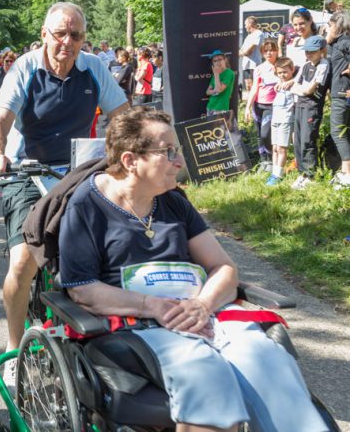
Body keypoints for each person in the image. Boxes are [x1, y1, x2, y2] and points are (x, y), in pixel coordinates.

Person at [59, 106, 329, 432]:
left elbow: (223, 267)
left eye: (178, 150)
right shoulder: (86, 206)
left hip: (202, 310)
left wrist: (202, 305)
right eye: (167, 152)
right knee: (204, 375)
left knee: (269, 363)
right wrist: (154, 307)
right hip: (136, 319)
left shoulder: (173, 201)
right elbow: (83, 288)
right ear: (130, 161)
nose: (180, 161)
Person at [0, 2, 129, 378]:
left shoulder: (94, 67)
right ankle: (14, 350)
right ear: (44, 34)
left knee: (115, 245)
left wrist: (144, 149)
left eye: (75, 35)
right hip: (26, 172)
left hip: (79, 172)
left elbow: (125, 118)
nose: (67, 42)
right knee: (23, 261)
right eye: (59, 33)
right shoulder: (26, 67)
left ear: (83, 38)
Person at [291, 35, 330, 189]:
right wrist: (301, 90)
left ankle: (311, 174)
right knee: (298, 141)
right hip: (300, 105)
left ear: (321, 50)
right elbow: (294, 85)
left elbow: (308, 90)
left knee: (308, 140)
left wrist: (301, 90)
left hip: (312, 108)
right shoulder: (305, 65)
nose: (308, 55)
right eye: (306, 51)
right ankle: (302, 173)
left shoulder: (324, 64)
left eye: (312, 52)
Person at [244, 39, 280, 172]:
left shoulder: (281, 65)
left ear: (277, 50)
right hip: (258, 105)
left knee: (266, 134)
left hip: (272, 106)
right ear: (262, 53)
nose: (269, 53)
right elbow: (254, 88)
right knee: (259, 134)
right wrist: (248, 107)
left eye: (272, 50)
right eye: (266, 51)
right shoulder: (259, 69)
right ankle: (263, 161)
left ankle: (271, 160)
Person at [327, 10, 350, 189]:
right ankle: (344, 172)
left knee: (338, 132)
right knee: (342, 132)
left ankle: (347, 173)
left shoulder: (345, 42)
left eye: (330, 25)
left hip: (343, 93)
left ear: (338, 26)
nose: (328, 28)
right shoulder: (336, 44)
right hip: (337, 92)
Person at [266, 57, 297, 186]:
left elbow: (300, 77)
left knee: (281, 148)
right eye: (280, 73)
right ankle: (274, 172)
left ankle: (278, 175)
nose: (282, 75)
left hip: (286, 120)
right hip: (275, 119)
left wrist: (293, 81)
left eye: (285, 72)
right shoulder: (277, 84)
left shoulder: (294, 84)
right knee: (274, 148)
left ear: (292, 70)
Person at [286, 7, 319, 72]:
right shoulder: (295, 41)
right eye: (295, 25)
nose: (298, 27)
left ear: (310, 20)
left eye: (302, 24)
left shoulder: (318, 41)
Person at [205, 50, 235, 116]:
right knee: (210, 126)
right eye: (215, 61)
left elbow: (219, 90)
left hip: (221, 108)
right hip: (210, 106)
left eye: (220, 59)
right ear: (213, 63)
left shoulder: (229, 73)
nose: (218, 62)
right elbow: (207, 92)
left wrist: (216, 75)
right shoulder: (215, 75)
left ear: (225, 60)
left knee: (220, 127)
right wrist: (215, 90)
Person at [239, 16, 264, 93]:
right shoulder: (248, 36)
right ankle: (250, 104)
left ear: (250, 24)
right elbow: (241, 50)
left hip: (254, 64)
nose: (245, 26)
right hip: (246, 65)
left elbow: (250, 51)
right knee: (248, 86)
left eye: (245, 24)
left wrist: (242, 53)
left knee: (254, 86)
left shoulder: (258, 33)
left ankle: (255, 104)